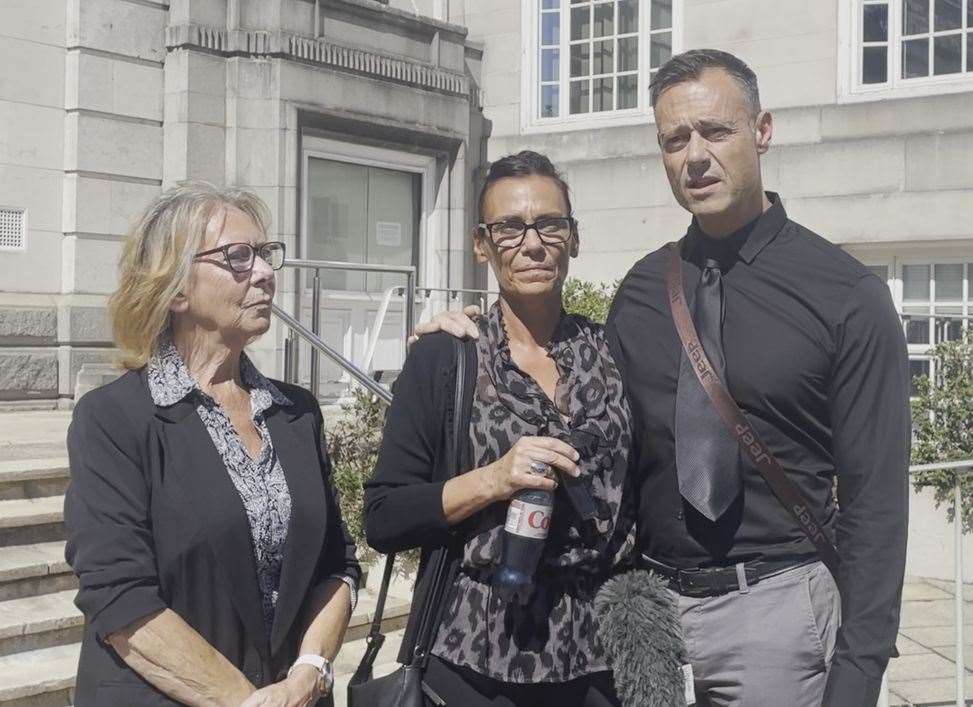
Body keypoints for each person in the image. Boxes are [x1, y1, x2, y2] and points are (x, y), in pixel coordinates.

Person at [416, 50, 911, 707]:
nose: (694, 156)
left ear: (760, 130)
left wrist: (857, 673)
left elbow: (877, 505)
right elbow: (572, 397)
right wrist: (471, 334)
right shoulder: (645, 289)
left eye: (715, 131)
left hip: (776, 616)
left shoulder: (845, 296)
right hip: (645, 620)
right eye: (674, 139)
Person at [64, 183, 360, 707]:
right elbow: (121, 600)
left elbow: (336, 565)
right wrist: (250, 702)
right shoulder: (114, 419)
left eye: (266, 255)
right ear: (175, 290)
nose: (266, 273)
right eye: (238, 257)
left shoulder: (297, 413)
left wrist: (309, 671)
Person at [364, 151, 636, 706]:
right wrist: (495, 478)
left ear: (574, 238)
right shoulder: (447, 358)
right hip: (474, 657)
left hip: (602, 653)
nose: (532, 244)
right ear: (481, 245)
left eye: (550, 225)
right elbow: (385, 516)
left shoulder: (616, 352)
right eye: (509, 228)